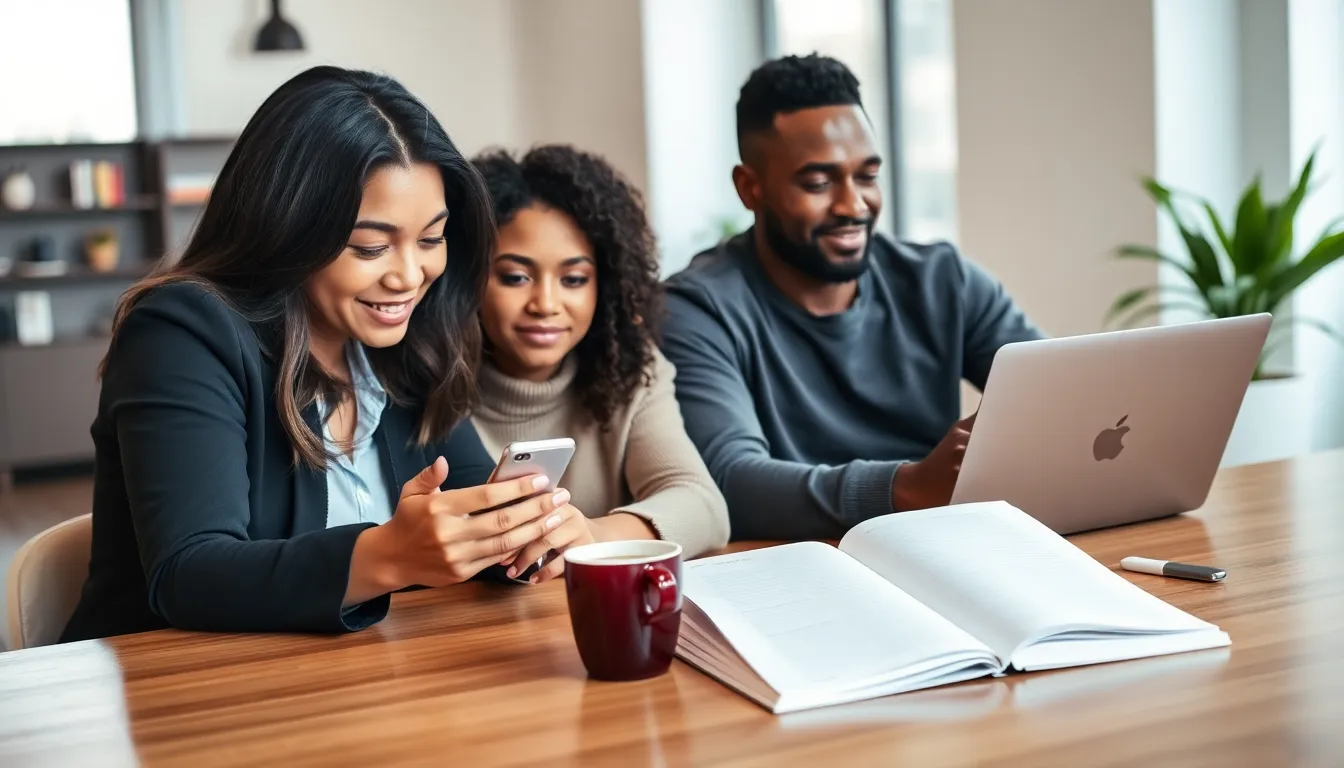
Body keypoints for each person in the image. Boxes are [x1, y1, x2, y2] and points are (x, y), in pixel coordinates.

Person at [61, 66, 575, 643]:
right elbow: (188, 573)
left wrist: (522, 536)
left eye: (431, 239)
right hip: (173, 695)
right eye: (370, 246)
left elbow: (472, 513)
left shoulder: (407, 348)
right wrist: (388, 556)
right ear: (288, 230)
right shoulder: (181, 331)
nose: (409, 275)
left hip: (352, 691)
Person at [660, 54, 1045, 541]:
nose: (853, 205)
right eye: (818, 183)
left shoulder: (942, 281)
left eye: (866, 176)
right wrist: (904, 487)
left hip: (941, 544)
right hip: (793, 564)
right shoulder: (697, 309)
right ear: (750, 188)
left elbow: (1054, 398)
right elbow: (728, 480)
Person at [468, 145, 730, 576]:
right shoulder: (424, 379)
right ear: (468, 277)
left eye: (574, 279)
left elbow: (703, 505)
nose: (546, 304)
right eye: (515, 277)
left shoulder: (631, 370)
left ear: (603, 285)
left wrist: (593, 535)